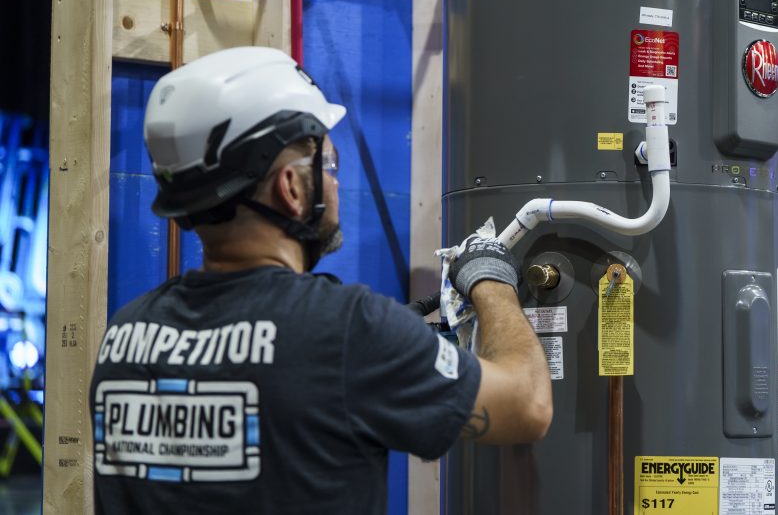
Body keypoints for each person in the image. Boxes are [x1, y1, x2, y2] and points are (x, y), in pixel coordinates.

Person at [89, 47, 553, 514]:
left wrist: (397, 346)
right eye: (328, 166)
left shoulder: (125, 335)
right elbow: (528, 403)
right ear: (290, 187)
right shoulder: (348, 329)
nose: (333, 184)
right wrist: (490, 277)